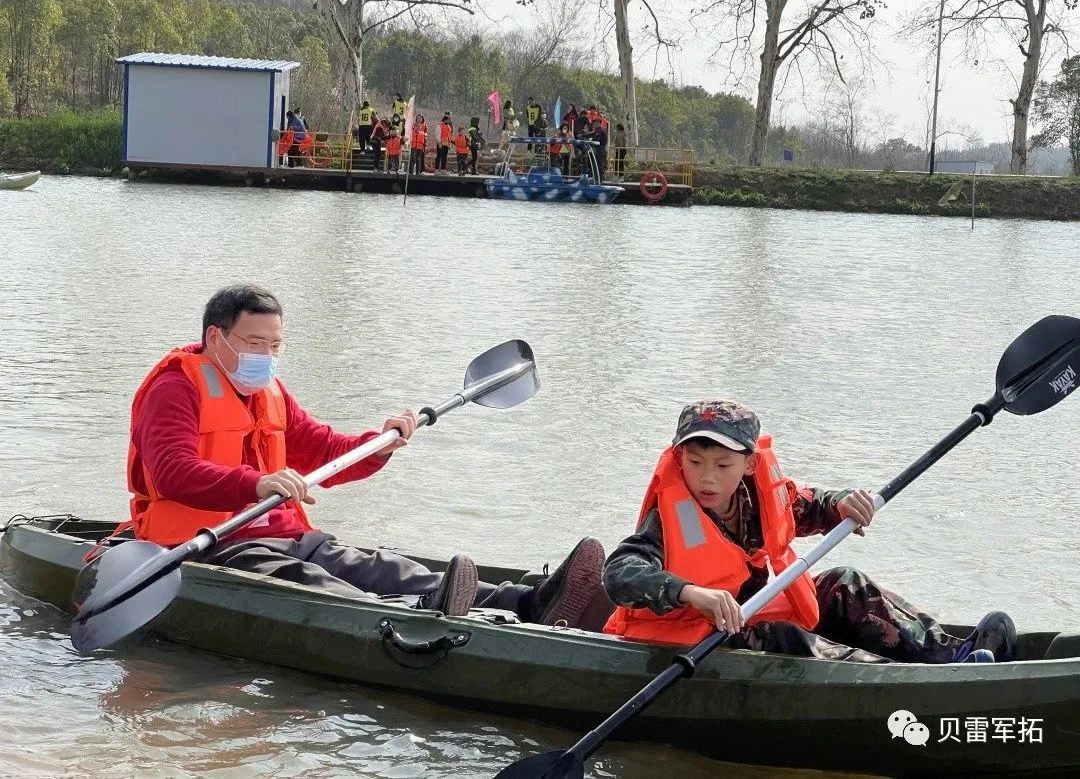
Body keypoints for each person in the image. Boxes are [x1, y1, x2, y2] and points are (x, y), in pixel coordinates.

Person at [126, 284, 605, 627]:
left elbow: (324, 450)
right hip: (215, 545)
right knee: (309, 581)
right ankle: (418, 615)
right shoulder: (175, 388)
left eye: (275, 345)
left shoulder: (268, 389)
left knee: (384, 568)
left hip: (287, 533)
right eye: (254, 344)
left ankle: (529, 601)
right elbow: (171, 473)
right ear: (216, 338)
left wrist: (381, 444)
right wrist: (255, 483)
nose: (267, 356)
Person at [603, 400, 1018, 664]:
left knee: (844, 583)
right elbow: (619, 572)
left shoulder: (759, 495)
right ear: (679, 459)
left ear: (749, 465)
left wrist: (843, 503)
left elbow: (814, 503)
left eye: (722, 466)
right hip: (696, 635)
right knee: (780, 637)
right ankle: (891, 682)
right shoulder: (667, 519)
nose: (706, 478)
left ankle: (951, 657)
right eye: (694, 463)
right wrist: (692, 593)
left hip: (754, 611)